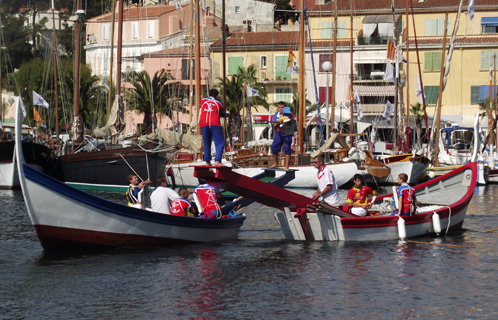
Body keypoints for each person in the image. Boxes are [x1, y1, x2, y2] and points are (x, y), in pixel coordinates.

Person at [199, 88, 226, 166]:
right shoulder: (219, 103)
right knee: (220, 142)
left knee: (207, 142)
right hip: (215, 123)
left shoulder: (203, 100)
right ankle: (217, 161)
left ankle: (207, 162)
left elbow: (201, 106)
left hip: (203, 123)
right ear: (217, 96)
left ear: (208, 95)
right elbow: (223, 113)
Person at [270, 101, 296, 171]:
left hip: (287, 132)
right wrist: (279, 121)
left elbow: (292, 122)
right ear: (278, 108)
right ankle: (275, 163)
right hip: (280, 132)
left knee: (287, 149)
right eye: (279, 107)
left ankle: (286, 166)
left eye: (282, 107)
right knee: (274, 147)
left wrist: (288, 117)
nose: (281, 109)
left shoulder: (289, 113)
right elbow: (275, 125)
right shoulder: (276, 115)